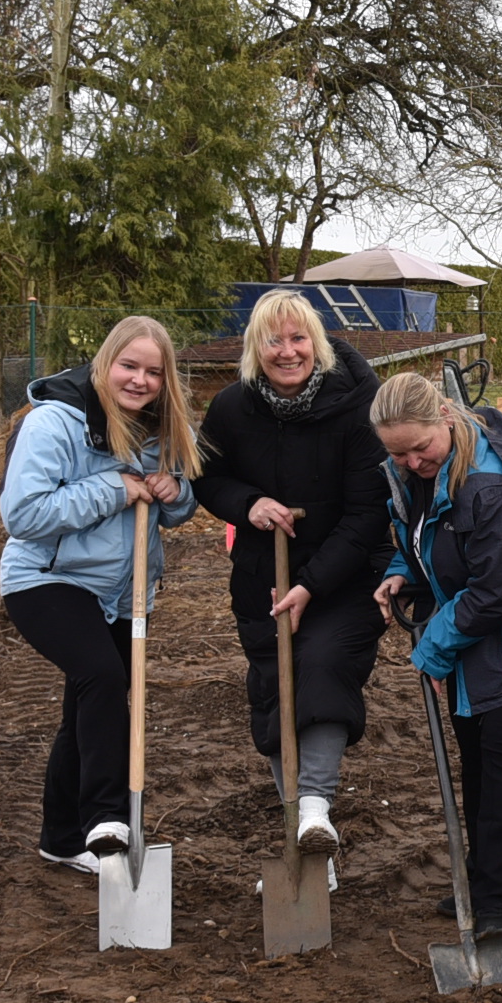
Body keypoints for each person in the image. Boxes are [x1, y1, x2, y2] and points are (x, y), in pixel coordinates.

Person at [370, 374, 502, 940]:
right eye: (399, 452)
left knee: (499, 747)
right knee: (473, 748)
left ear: (446, 415)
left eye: (422, 448)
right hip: (476, 620)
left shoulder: (489, 485)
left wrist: (436, 649)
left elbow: (498, 591)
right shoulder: (410, 468)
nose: (414, 461)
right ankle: (481, 873)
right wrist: (401, 574)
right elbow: (424, 535)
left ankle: (496, 904)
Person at [0, 315, 204, 869]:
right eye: (129, 366)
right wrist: (114, 488)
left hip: (119, 591)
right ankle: (106, 820)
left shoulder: (159, 428)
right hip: (46, 578)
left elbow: (179, 510)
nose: (140, 380)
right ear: (104, 364)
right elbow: (23, 514)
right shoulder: (56, 424)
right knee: (104, 678)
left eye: (153, 372)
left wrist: (173, 490)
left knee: (87, 708)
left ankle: (61, 839)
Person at [193, 291, 388, 855]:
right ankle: (305, 844)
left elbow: (368, 512)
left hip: (344, 577)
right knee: (275, 691)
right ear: (256, 347)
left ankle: (314, 808)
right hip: (263, 577)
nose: (287, 351)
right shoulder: (231, 408)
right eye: (273, 340)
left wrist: (311, 585)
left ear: (317, 343)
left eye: (298, 338)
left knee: (324, 667)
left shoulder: (358, 406)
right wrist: (248, 503)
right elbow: (207, 477)